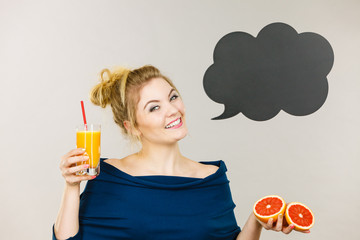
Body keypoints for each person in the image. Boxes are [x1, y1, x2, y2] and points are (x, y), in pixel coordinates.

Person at [53, 65, 307, 239]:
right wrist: (71, 186)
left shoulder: (213, 179)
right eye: (154, 108)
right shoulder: (108, 177)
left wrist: (256, 221)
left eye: (173, 97)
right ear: (132, 127)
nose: (172, 110)